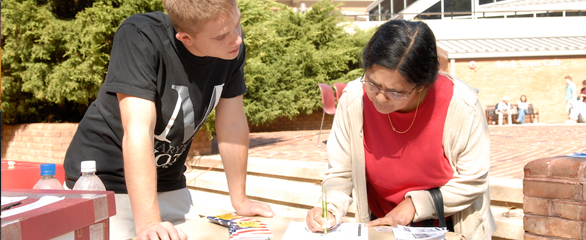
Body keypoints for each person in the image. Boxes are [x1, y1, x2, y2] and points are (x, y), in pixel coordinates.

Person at [63, 0, 274, 239]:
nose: (236, 39)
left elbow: (232, 124)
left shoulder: (230, 45)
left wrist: (240, 200)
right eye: (221, 36)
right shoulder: (140, 36)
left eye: (237, 24)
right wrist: (149, 223)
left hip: (169, 180)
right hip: (105, 183)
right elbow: (138, 131)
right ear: (186, 38)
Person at [305, 20, 496, 239]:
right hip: (382, 222)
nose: (380, 97)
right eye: (373, 83)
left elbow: (473, 180)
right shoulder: (354, 99)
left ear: (423, 85)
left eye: (396, 92)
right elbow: (341, 171)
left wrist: (415, 205)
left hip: (449, 224)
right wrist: (329, 208)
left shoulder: (462, 104)